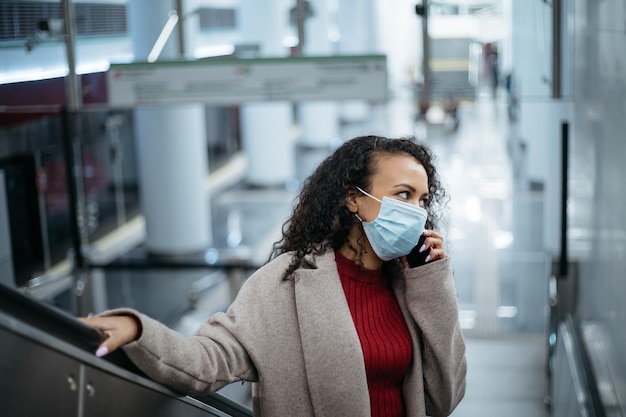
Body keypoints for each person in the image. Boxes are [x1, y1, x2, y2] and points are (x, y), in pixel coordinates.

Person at [80, 135, 467, 417]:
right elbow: (209, 361)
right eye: (403, 195)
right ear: (354, 198)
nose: (417, 211)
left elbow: (443, 399)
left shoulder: (409, 286)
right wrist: (138, 330)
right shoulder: (286, 283)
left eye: (422, 199)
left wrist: (432, 283)